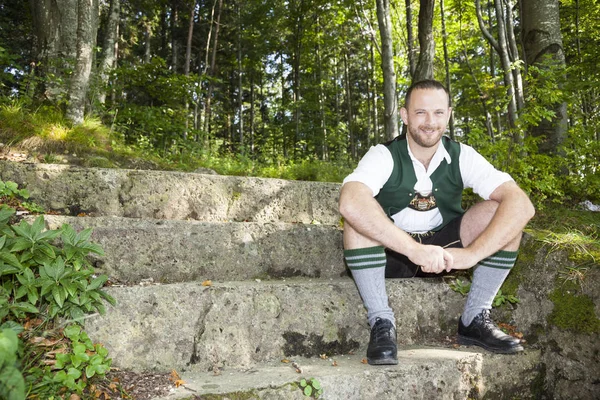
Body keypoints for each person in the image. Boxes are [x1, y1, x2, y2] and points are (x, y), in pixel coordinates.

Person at [338, 79, 535, 365]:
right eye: (420, 113)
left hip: (445, 250)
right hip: (393, 252)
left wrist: (472, 255)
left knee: (503, 212)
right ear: (404, 115)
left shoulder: (462, 155)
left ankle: (474, 319)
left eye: (438, 113)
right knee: (358, 216)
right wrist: (413, 249)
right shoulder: (384, 155)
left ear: (449, 115)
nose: (430, 122)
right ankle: (381, 322)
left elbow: (522, 205)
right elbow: (350, 202)